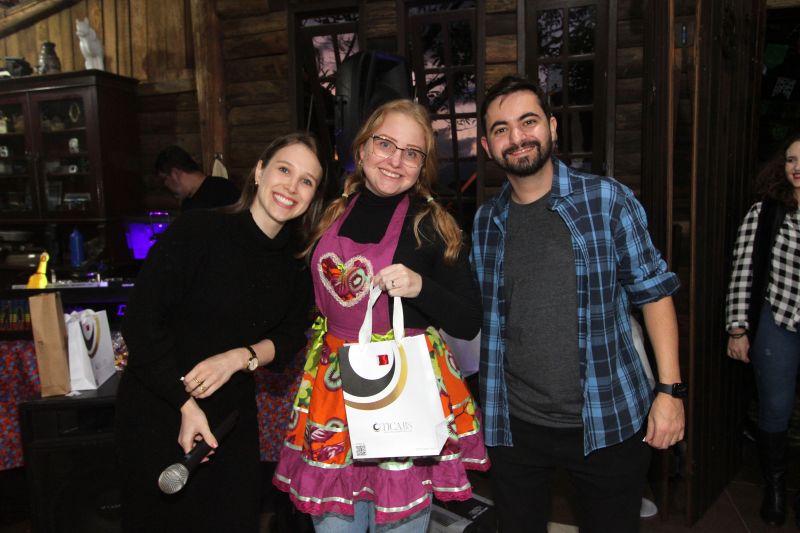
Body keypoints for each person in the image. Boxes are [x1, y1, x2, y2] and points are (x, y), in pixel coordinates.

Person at [470, 75, 685, 533]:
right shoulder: (486, 220)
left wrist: (670, 393)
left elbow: (655, 293)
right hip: (515, 423)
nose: (517, 137)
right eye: (501, 129)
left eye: (528, 122)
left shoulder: (607, 200)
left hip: (607, 417)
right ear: (487, 146)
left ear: (551, 127)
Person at [274, 99, 489, 531]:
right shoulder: (328, 212)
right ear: (362, 148)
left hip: (401, 391)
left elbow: (468, 321)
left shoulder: (432, 224)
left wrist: (421, 287)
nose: (395, 160)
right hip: (332, 393)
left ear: (422, 166)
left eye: (411, 153)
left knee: (399, 519)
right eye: (385, 144)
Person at [116, 133, 325, 532]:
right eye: (284, 170)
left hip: (230, 420)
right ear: (260, 172)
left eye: (306, 181)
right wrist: (185, 404)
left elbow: (289, 338)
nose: (291, 187)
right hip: (159, 406)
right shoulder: (199, 230)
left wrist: (238, 357)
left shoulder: (296, 261)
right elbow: (140, 322)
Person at [726, 133, 800, 527]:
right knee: (775, 408)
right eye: (791, 159)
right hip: (778, 321)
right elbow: (743, 272)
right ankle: (774, 488)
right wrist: (738, 330)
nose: (796, 167)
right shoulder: (765, 212)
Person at [155, 145, 240, 210]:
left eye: (165, 179)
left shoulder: (224, 191)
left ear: (175, 173)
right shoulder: (187, 203)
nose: (165, 184)